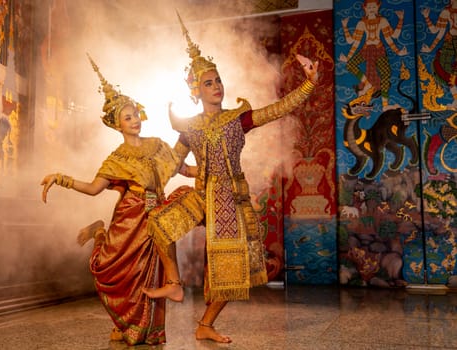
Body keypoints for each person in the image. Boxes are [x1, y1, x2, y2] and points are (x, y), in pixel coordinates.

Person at [143, 13, 319, 343]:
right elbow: (170, 163)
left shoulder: (238, 119)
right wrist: (152, 184)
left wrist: (309, 83)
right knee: (158, 224)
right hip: (201, 193)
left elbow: (278, 109)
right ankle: (174, 283)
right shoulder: (189, 126)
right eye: (208, 82)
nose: (217, 86)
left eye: (219, 80)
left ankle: (205, 324)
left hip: (229, 199)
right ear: (196, 90)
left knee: (231, 273)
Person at [40, 54, 192, 346]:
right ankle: (99, 230)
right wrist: (61, 178)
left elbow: (180, 168)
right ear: (116, 124)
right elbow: (94, 188)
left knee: (149, 275)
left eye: (135, 114)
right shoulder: (116, 159)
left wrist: (215, 174)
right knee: (116, 271)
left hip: (155, 215)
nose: (134, 120)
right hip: (129, 217)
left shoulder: (157, 144)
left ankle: (147, 330)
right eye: (127, 117)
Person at [339, 0, 406, 110]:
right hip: (366, 50)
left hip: (379, 50)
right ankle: (367, 84)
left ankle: (385, 105)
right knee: (350, 65)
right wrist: (345, 27)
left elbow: (392, 37)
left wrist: (400, 20)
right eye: (369, 7)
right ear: (365, 8)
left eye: (374, 7)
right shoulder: (362, 23)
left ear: (378, 8)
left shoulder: (382, 21)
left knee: (386, 74)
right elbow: (353, 41)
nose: (371, 9)